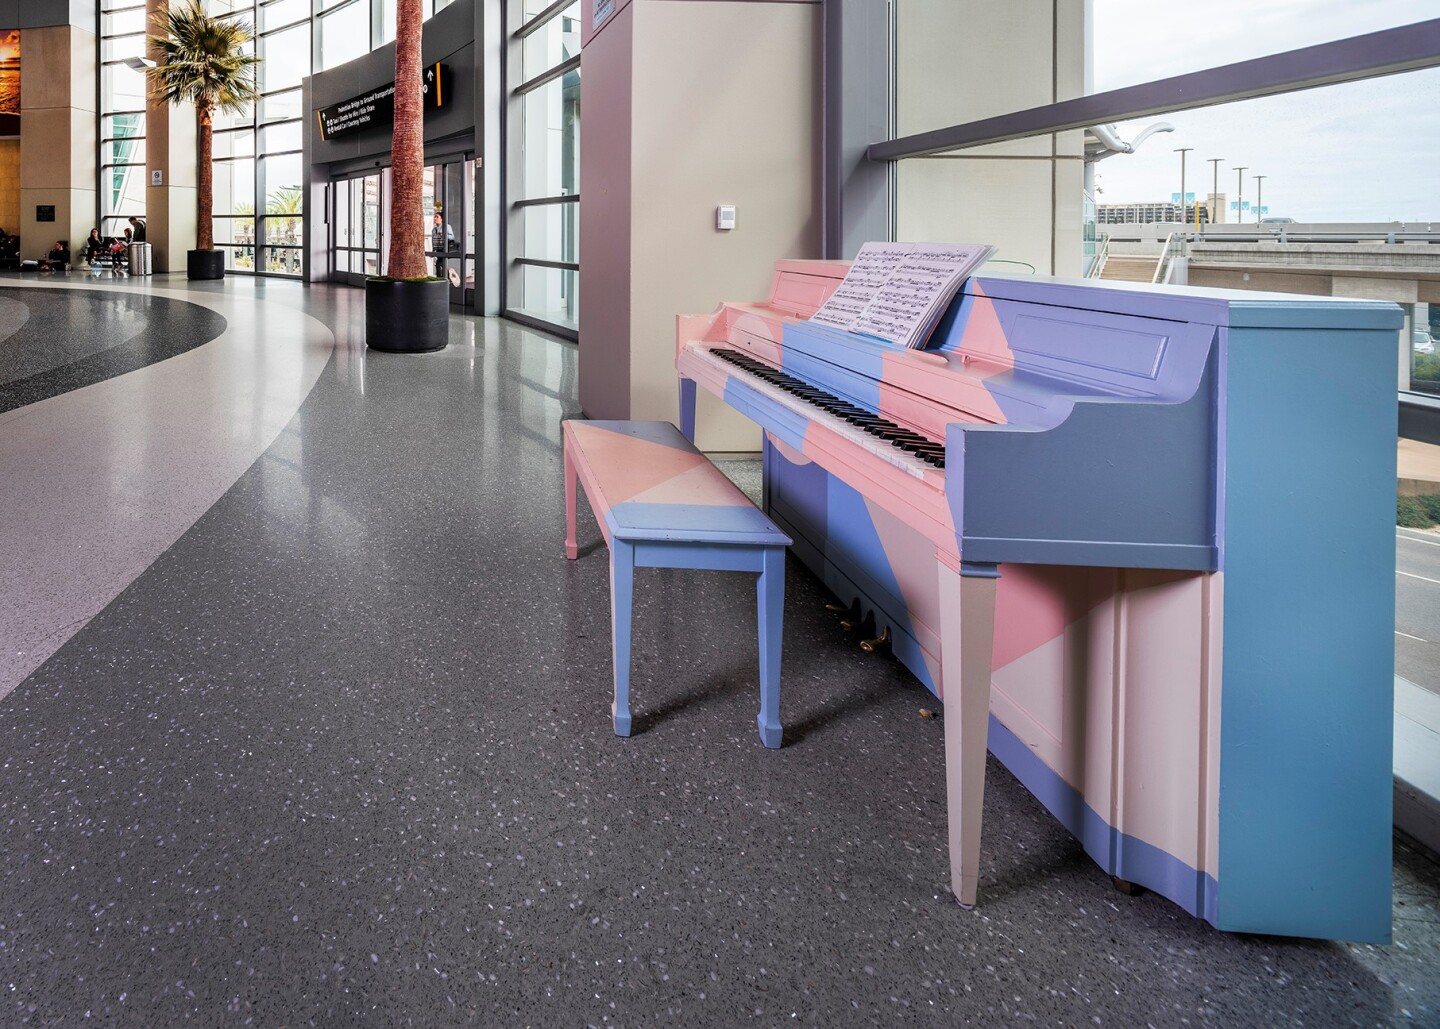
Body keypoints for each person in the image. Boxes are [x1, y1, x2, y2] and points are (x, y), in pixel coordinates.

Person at [432, 210, 455, 277]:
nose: (435, 218)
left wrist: (443, 235)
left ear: (442, 219)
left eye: (437, 217)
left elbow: (452, 237)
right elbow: (433, 240)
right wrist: (433, 250)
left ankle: (440, 280)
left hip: (445, 248)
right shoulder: (434, 230)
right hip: (438, 248)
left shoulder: (447, 227)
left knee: (439, 264)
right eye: (434, 217)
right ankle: (448, 274)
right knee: (441, 264)